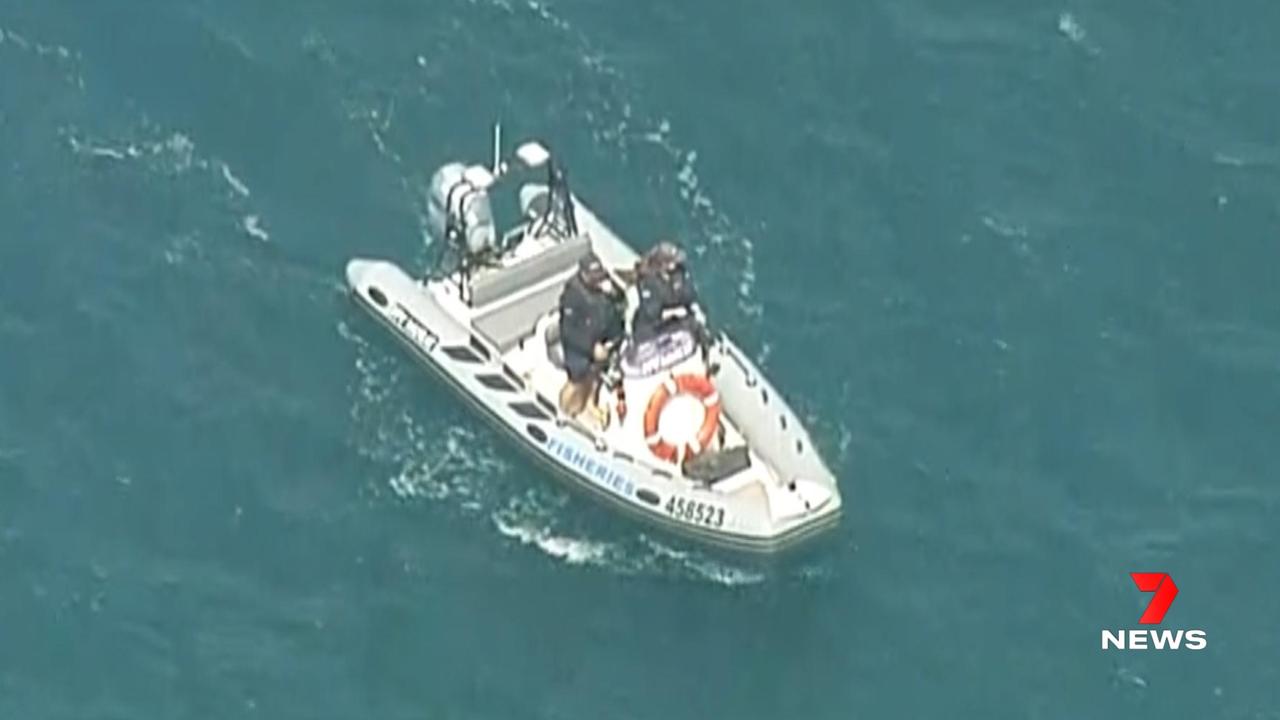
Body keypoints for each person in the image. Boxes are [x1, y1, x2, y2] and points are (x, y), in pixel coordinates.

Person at [557, 254, 625, 419]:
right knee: (579, 375)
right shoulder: (573, 295)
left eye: (599, 275)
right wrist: (591, 347)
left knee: (597, 373)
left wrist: (614, 292)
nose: (598, 280)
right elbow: (568, 331)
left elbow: (620, 300)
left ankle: (590, 403)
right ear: (584, 275)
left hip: (604, 337)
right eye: (593, 277)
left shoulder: (605, 284)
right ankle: (564, 411)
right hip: (579, 346)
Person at [630, 241, 707, 345]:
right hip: (651, 327)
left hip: (675, 314)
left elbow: (688, 293)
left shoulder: (678, 272)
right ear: (663, 264)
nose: (677, 264)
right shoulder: (649, 283)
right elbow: (651, 313)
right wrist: (674, 312)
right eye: (673, 261)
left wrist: (693, 306)